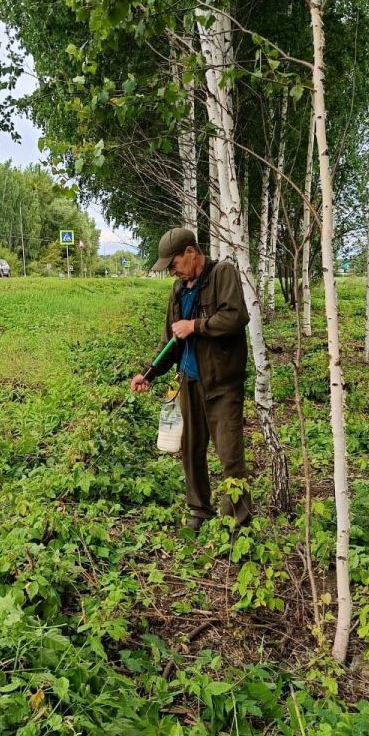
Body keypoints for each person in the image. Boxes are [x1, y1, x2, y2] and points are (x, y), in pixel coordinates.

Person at [130, 227, 253, 532]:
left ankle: (237, 524)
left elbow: (236, 317)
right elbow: (170, 338)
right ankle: (200, 509)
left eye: (173, 264)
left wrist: (195, 326)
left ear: (190, 252)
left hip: (222, 384)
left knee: (229, 455)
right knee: (191, 450)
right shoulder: (178, 290)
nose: (172, 271)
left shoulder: (222, 274)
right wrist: (149, 373)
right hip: (188, 381)